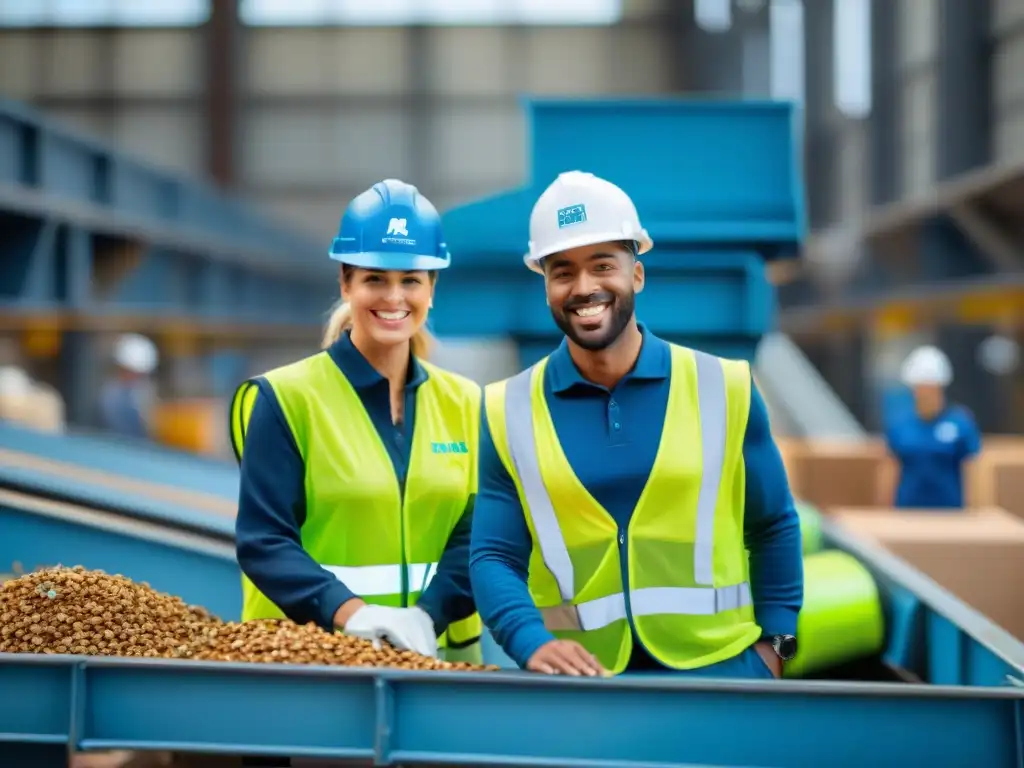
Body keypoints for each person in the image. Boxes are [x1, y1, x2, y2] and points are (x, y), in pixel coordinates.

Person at [469, 171, 803, 678]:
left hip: (720, 669)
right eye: (562, 272)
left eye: (603, 265)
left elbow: (773, 523)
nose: (584, 288)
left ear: (637, 274)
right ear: (545, 286)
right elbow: (493, 554)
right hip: (581, 681)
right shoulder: (506, 408)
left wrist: (777, 647)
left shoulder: (724, 386)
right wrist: (528, 640)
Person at [229, 179, 482, 663]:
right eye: (375, 279)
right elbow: (264, 542)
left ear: (432, 287)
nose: (394, 297)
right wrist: (353, 613)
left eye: (410, 279)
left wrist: (427, 617)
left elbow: (479, 533)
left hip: (440, 663)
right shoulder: (287, 398)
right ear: (346, 283)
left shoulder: (466, 403)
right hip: (312, 665)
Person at [883, 344, 981, 509]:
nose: (926, 392)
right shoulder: (900, 425)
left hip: (950, 512)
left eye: (931, 387)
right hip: (908, 511)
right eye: (921, 387)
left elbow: (972, 469)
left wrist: (974, 508)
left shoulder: (960, 423)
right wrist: (885, 509)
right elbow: (889, 468)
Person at [99, 333, 158, 438]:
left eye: (140, 375)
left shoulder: (145, 392)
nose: (134, 378)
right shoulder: (112, 396)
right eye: (130, 372)